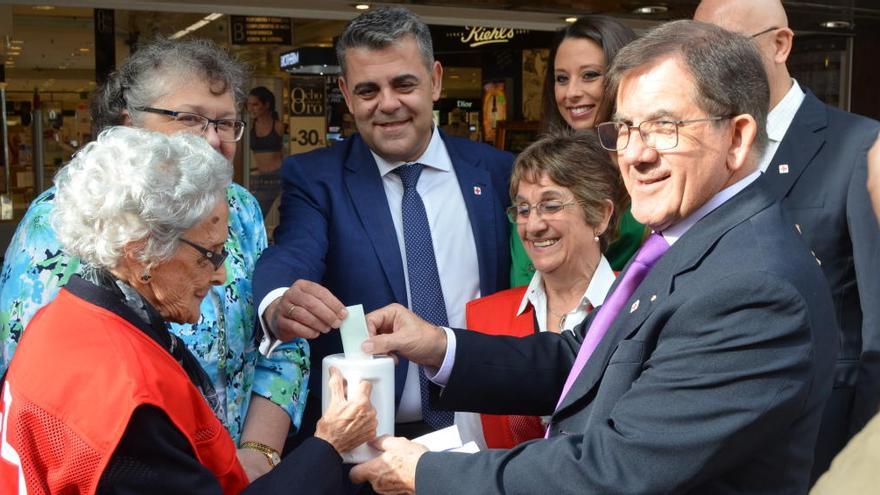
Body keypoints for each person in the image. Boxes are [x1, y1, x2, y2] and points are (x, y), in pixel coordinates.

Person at [349, 20, 838, 494]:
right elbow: (579, 359)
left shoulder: (752, 287)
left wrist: (429, 473)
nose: (635, 154)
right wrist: (437, 345)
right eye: (625, 128)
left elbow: (616, 469)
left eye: (664, 127)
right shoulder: (692, 240)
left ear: (738, 137)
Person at [0, 128, 376, 494]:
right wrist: (329, 444)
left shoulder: (63, 318)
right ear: (141, 252)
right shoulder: (130, 397)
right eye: (209, 255)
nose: (222, 274)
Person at [0, 38, 306, 480]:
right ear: (127, 125)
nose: (214, 139)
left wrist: (258, 455)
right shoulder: (68, 220)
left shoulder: (240, 211)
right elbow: (47, 393)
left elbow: (276, 341)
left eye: (226, 123)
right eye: (191, 119)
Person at [252, 6, 513, 446]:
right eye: (368, 90)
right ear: (347, 95)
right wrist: (280, 304)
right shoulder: (317, 179)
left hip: (486, 437)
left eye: (404, 84)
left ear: (435, 80)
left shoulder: (498, 173)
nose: (388, 104)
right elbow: (292, 252)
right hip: (369, 446)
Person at [694, 0, 880, 479]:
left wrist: (860, 463)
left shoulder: (858, 148)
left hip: (822, 439)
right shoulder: (703, 150)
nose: (708, 64)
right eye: (696, 47)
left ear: (780, 44)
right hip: (712, 434)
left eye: (726, 46)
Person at [464, 131, 623, 448]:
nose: (533, 225)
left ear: (601, 216)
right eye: (523, 209)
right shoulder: (483, 317)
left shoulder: (642, 303)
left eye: (550, 205)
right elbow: (472, 447)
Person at [509, 16, 641, 288]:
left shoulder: (650, 169)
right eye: (561, 78)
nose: (571, 93)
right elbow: (523, 279)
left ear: (624, 77)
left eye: (590, 75)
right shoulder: (540, 171)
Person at [247, 86, 285, 216]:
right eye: (249, 104)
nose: (251, 108)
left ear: (267, 105)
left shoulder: (279, 126)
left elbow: (287, 150)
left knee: (257, 214)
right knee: (255, 214)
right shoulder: (249, 127)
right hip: (260, 178)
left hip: (279, 176)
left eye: (255, 104)